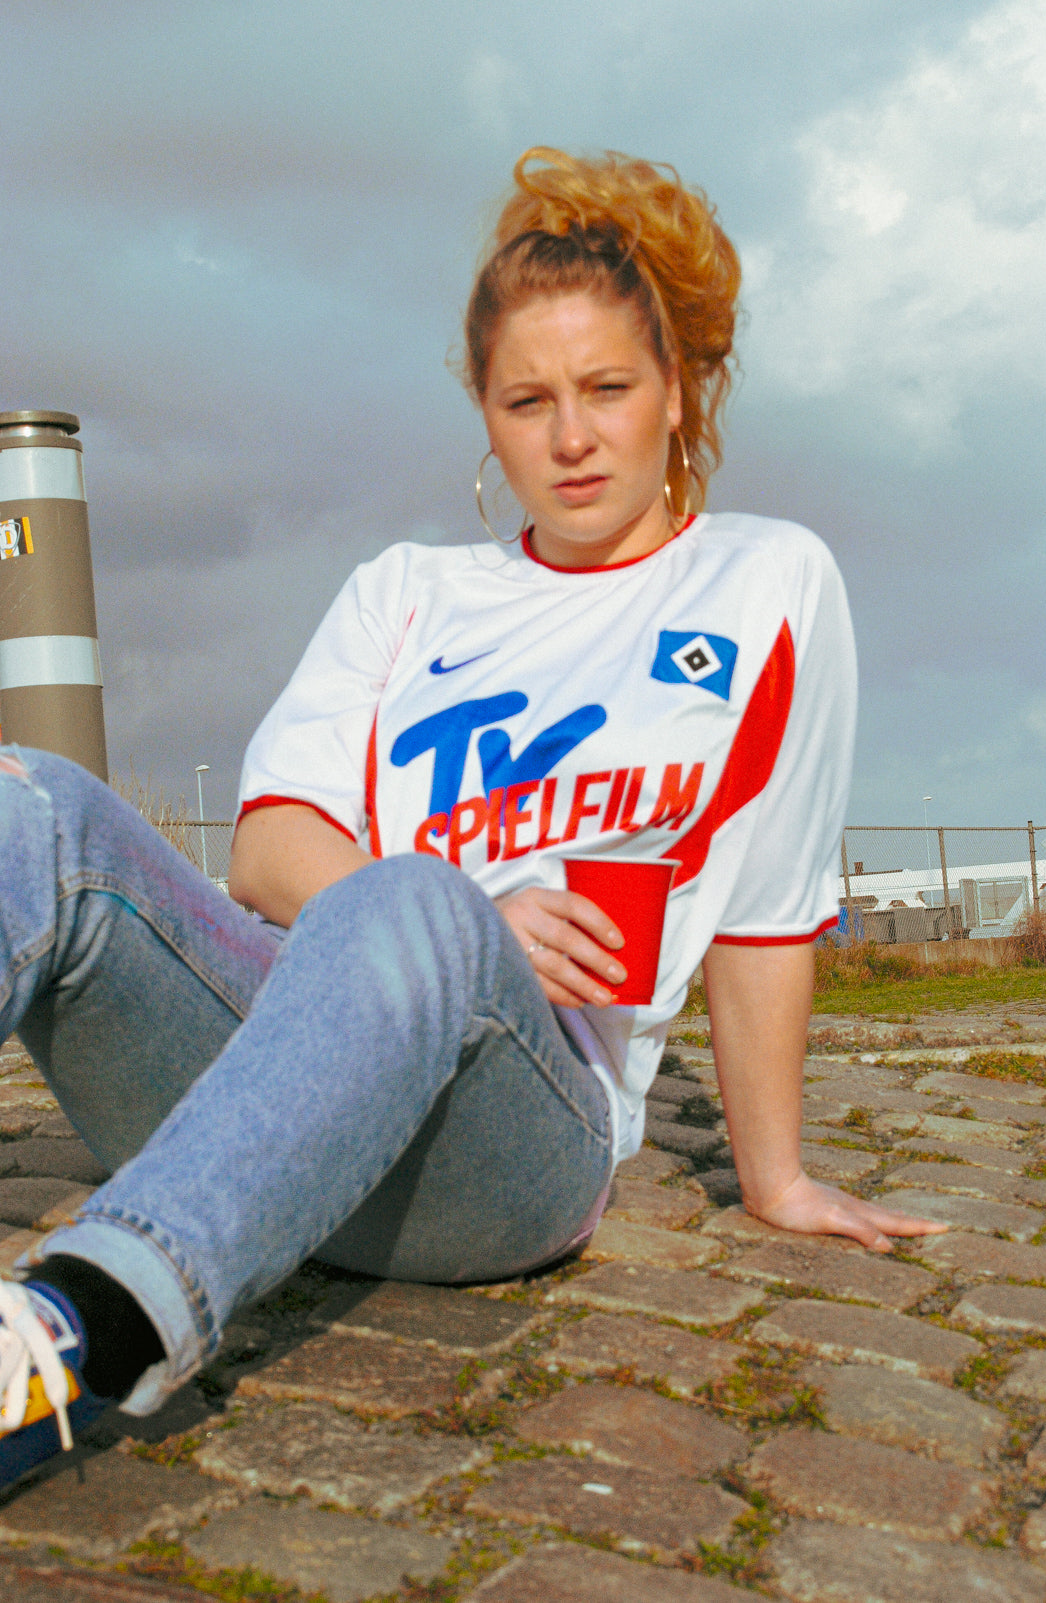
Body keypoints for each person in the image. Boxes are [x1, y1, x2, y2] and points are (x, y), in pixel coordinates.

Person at [0, 147, 943, 1489]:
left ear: (678, 391)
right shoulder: (406, 591)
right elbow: (267, 850)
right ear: (486, 417)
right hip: (266, 1083)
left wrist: (775, 1180)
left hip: (506, 1146)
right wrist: (468, 908)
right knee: (34, 800)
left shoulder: (765, 582)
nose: (571, 437)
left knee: (418, 897)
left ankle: (84, 1331)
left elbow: (766, 908)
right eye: (527, 400)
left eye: (608, 389)